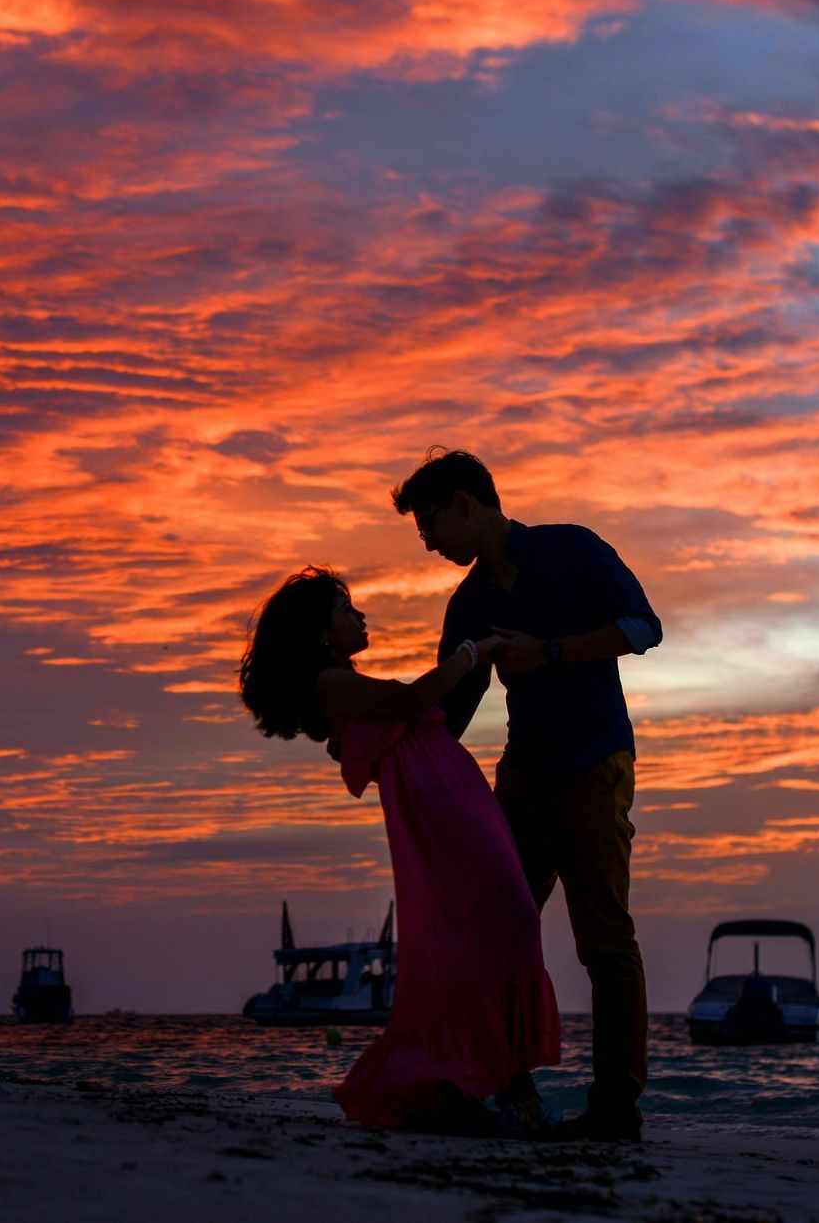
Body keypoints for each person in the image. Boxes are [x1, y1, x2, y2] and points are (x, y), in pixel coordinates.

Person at [391, 448, 662, 1143]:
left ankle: (615, 1110)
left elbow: (643, 628)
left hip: (595, 765)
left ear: (466, 504)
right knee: (491, 933)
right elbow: (454, 707)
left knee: (604, 943)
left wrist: (547, 651)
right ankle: (510, 1094)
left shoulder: (571, 550)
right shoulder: (469, 604)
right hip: (520, 780)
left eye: (430, 524)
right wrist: (395, 752)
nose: (427, 542)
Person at [239, 567, 560, 1134]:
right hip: (439, 810)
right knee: (505, 922)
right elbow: (415, 697)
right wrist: (472, 651)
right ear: (319, 631)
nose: (358, 617)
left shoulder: (341, 681)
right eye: (345, 610)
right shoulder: (330, 682)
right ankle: (502, 1090)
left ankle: (489, 1086)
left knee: (503, 924)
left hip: (451, 796)